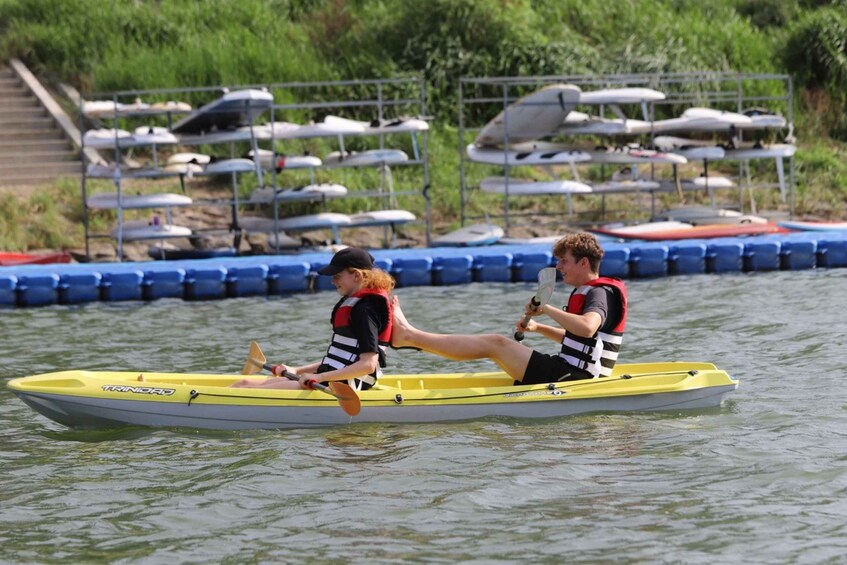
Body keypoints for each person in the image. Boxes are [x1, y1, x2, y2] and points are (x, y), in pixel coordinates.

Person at [391, 233, 627, 385]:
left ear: (583, 262)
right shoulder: (587, 291)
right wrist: (538, 327)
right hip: (568, 372)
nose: (558, 266)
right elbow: (581, 342)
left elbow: (587, 328)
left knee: (495, 343)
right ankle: (411, 336)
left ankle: (410, 336)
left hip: (573, 378)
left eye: (564, 260)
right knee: (496, 345)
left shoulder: (599, 293)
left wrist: (546, 308)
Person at [232, 247, 394, 391]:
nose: (333, 281)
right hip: (332, 379)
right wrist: (297, 370)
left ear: (357, 276)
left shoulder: (364, 310)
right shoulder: (357, 305)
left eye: (337, 276)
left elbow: (368, 364)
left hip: (345, 386)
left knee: (245, 388)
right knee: (244, 382)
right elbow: (338, 360)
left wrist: (320, 378)